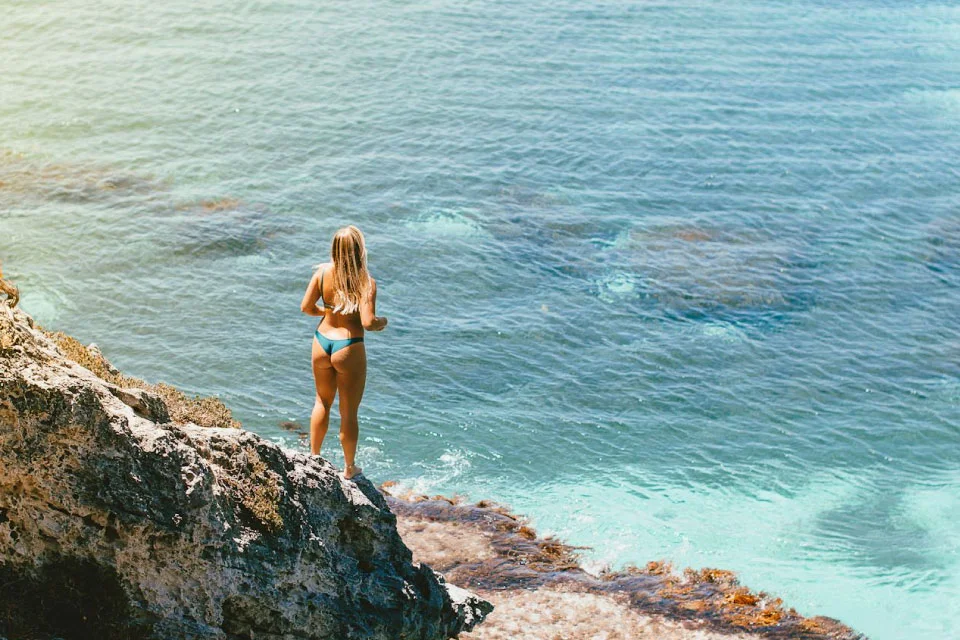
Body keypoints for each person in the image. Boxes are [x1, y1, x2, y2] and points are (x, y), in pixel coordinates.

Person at [300, 226, 387, 479]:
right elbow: (369, 323)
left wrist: (326, 312)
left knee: (321, 402)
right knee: (348, 412)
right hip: (348, 347)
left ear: (334, 249)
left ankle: (314, 457)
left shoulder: (322, 274)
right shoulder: (366, 283)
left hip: (322, 341)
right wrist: (383, 322)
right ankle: (349, 468)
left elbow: (306, 307)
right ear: (360, 251)